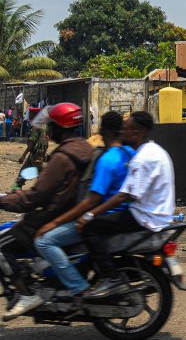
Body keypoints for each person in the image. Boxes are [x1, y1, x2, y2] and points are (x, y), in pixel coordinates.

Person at [0, 103, 91, 320]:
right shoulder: (84, 147)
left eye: (52, 125)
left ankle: (26, 292)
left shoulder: (62, 157)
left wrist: (5, 201)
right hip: (70, 211)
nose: (49, 130)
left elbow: (35, 197)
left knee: (3, 246)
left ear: (60, 127)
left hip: (55, 215)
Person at [33, 112, 135, 299]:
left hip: (103, 216)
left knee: (44, 241)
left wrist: (55, 223)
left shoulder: (107, 160)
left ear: (102, 131)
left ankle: (78, 288)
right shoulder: (131, 154)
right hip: (124, 214)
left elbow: (92, 200)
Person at [78, 111, 175, 299]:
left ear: (137, 133)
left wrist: (89, 215)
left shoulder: (142, 158)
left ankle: (111, 277)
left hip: (144, 217)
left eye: (125, 130)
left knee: (90, 229)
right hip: (156, 212)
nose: (121, 133)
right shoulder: (155, 151)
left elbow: (124, 196)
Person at [13, 109, 48, 191]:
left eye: (31, 114)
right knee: (23, 172)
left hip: (36, 154)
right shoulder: (43, 124)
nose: (29, 115)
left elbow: (31, 142)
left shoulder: (36, 125)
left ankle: (48, 192)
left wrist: (23, 155)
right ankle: (16, 190)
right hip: (36, 153)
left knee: (41, 175)